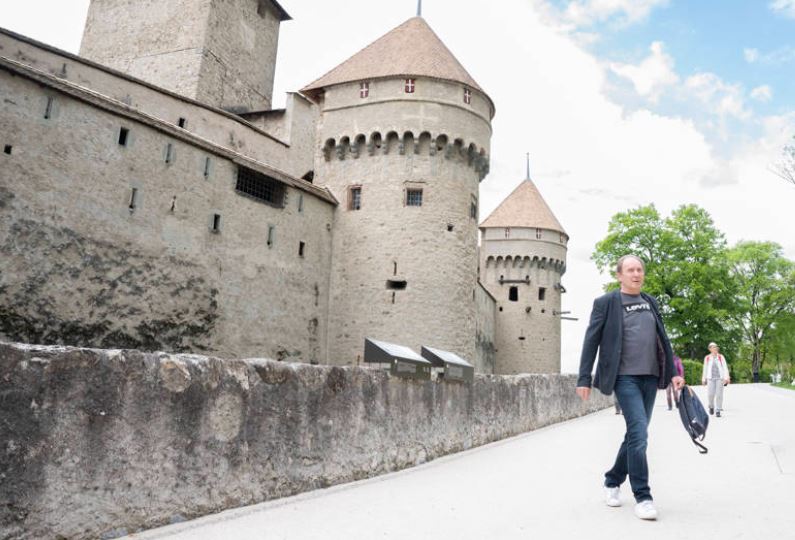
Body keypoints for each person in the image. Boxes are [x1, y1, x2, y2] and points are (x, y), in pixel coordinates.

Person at [576, 254, 684, 521]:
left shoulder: (650, 302)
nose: (636, 274)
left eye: (639, 270)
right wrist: (584, 378)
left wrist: (673, 373)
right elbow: (591, 340)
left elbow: (663, 339)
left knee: (637, 434)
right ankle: (643, 497)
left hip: (650, 376)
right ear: (619, 275)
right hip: (624, 378)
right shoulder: (606, 303)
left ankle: (612, 480)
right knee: (639, 433)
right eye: (630, 270)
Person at [702, 342, 730, 417]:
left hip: (720, 378)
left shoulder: (721, 357)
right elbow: (705, 369)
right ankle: (711, 406)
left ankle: (718, 410)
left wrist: (726, 378)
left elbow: (725, 367)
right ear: (710, 349)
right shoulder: (707, 358)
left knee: (719, 394)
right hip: (710, 378)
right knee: (710, 394)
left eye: (716, 347)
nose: (716, 348)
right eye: (714, 347)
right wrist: (703, 379)